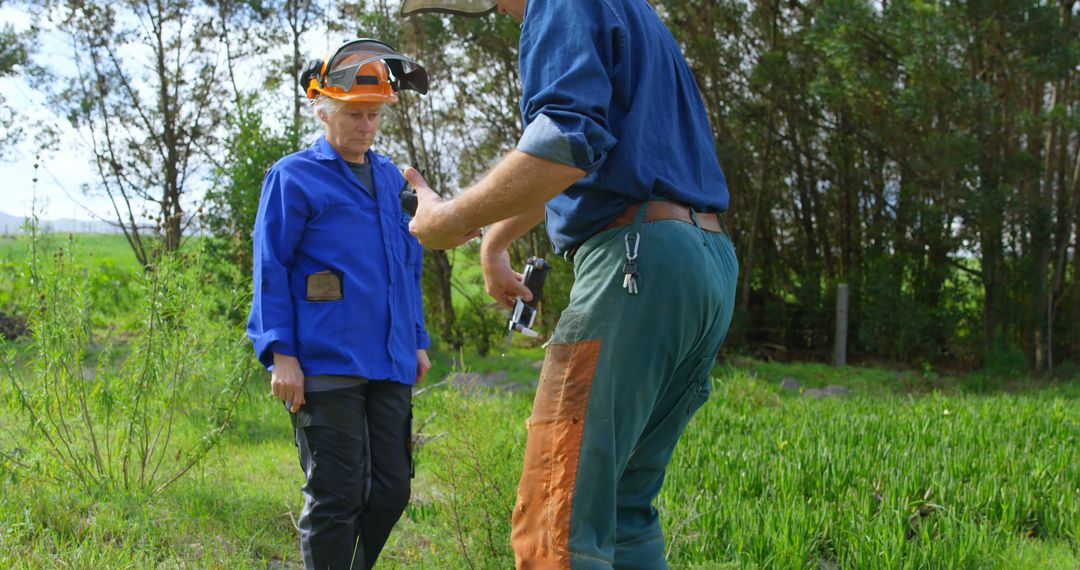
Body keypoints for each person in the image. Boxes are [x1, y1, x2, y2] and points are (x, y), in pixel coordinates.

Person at [400, 0, 739, 568]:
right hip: (703, 261)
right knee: (623, 510)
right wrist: (494, 241)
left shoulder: (557, 4)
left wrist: (451, 219)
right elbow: (597, 151)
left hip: (637, 261)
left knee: (557, 518)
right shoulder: (634, 14)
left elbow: (563, 146)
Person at [246, 38, 432, 570]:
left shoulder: (394, 179)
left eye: (374, 115)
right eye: (354, 114)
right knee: (337, 493)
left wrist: (416, 339)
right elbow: (270, 265)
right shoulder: (293, 176)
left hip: (390, 359)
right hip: (324, 360)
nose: (366, 125)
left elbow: (407, 264)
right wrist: (280, 353)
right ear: (323, 109)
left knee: (391, 492)